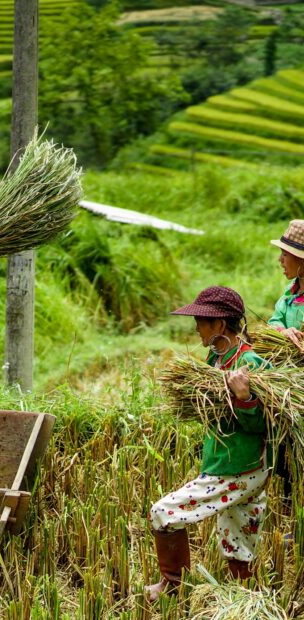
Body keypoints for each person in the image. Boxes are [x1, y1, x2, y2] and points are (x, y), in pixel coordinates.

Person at [146, 286, 269, 602]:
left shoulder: (250, 364)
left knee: (163, 513)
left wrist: (245, 398)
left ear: (220, 325)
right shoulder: (216, 358)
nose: (196, 327)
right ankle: (243, 602)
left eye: (202, 320)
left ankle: (173, 587)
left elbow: (265, 425)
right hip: (225, 463)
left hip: (238, 468)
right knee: (237, 541)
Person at [267, 220, 304, 509]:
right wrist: (283, 333)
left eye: (286, 254)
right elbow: (273, 323)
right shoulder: (290, 294)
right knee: (283, 447)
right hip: (287, 384)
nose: (280, 260)